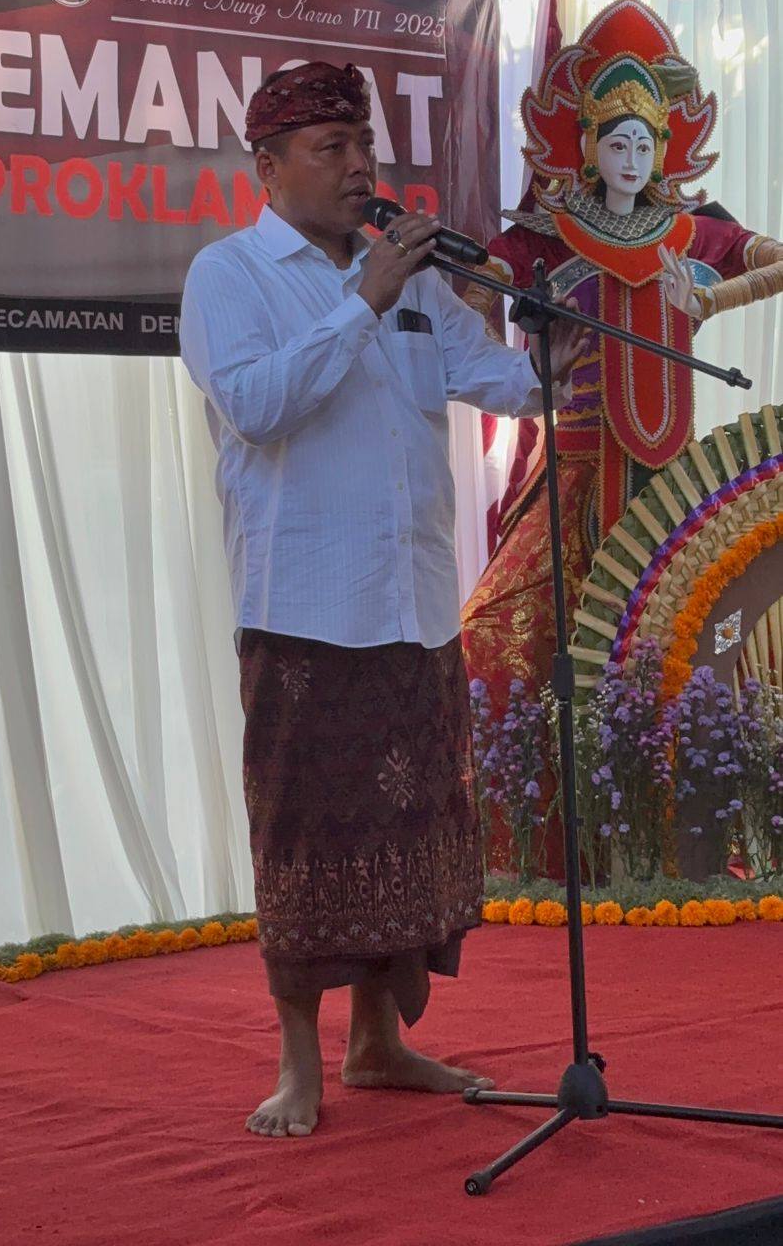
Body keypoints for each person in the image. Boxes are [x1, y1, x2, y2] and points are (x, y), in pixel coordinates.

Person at [179, 61, 584, 1138]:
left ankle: (378, 1044)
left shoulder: (409, 276)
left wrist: (572, 330)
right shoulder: (229, 274)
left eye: (365, 145)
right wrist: (364, 302)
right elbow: (258, 405)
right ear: (269, 168)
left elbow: (504, 383)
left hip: (415, 605)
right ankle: (297, 1064)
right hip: (306, 611)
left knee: (406, 833)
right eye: (332, 148)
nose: (360, 166)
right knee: (308, 837)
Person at [461, 0, 783, 873]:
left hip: (674, 491)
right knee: (496, 647)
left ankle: (671, 854)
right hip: (570, 475)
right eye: (617, 143)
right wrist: (501, 340)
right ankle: (538, 860)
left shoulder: (696, 232)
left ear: (664, 150)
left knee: (689, 655)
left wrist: (712, 297)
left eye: (645, 144)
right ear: (587, 148)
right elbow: (474, 291)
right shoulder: (544, 236)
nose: (632, 159)